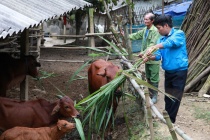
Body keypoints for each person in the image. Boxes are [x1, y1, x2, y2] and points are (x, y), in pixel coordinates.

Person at [143, 14, 188, 123]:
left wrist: (155, 46)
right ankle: (167, 117)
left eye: (159, 28)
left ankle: (170, 121)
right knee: (168, 96)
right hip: (168, 72)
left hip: (179, 72)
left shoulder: (179, 34)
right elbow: (158, 56)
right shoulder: (161, 39)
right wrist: (150, 57)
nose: (158, 30)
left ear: (166, 25)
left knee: (175, 97)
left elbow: (171, 43)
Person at [129, 12, 160, 104]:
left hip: (153, 58)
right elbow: (136, 35)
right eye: (144, 19)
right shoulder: (145, 29)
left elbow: (152, 45)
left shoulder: (155, 31)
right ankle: (151, 93)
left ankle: (155, 96)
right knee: (149, 76)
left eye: (147, 19)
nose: (145, 21)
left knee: (154, 77)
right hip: (146, 58)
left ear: (152, 21)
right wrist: (126, 36)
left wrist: (142, 53)